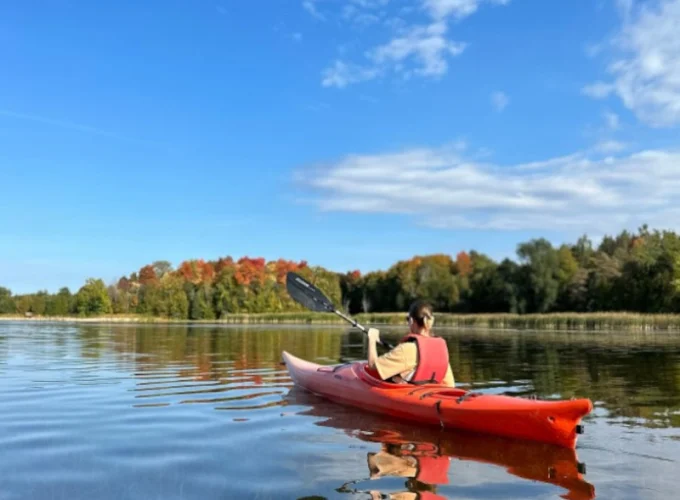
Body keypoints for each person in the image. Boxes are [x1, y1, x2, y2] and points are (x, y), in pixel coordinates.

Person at [367, 300, 455, 387]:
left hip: (416, 396)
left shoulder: (406, 349)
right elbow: (450, 385)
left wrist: (372, 339)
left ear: (412, 321)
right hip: (434, 395)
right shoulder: (440, 350)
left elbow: (372, 366)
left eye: (407, 319)